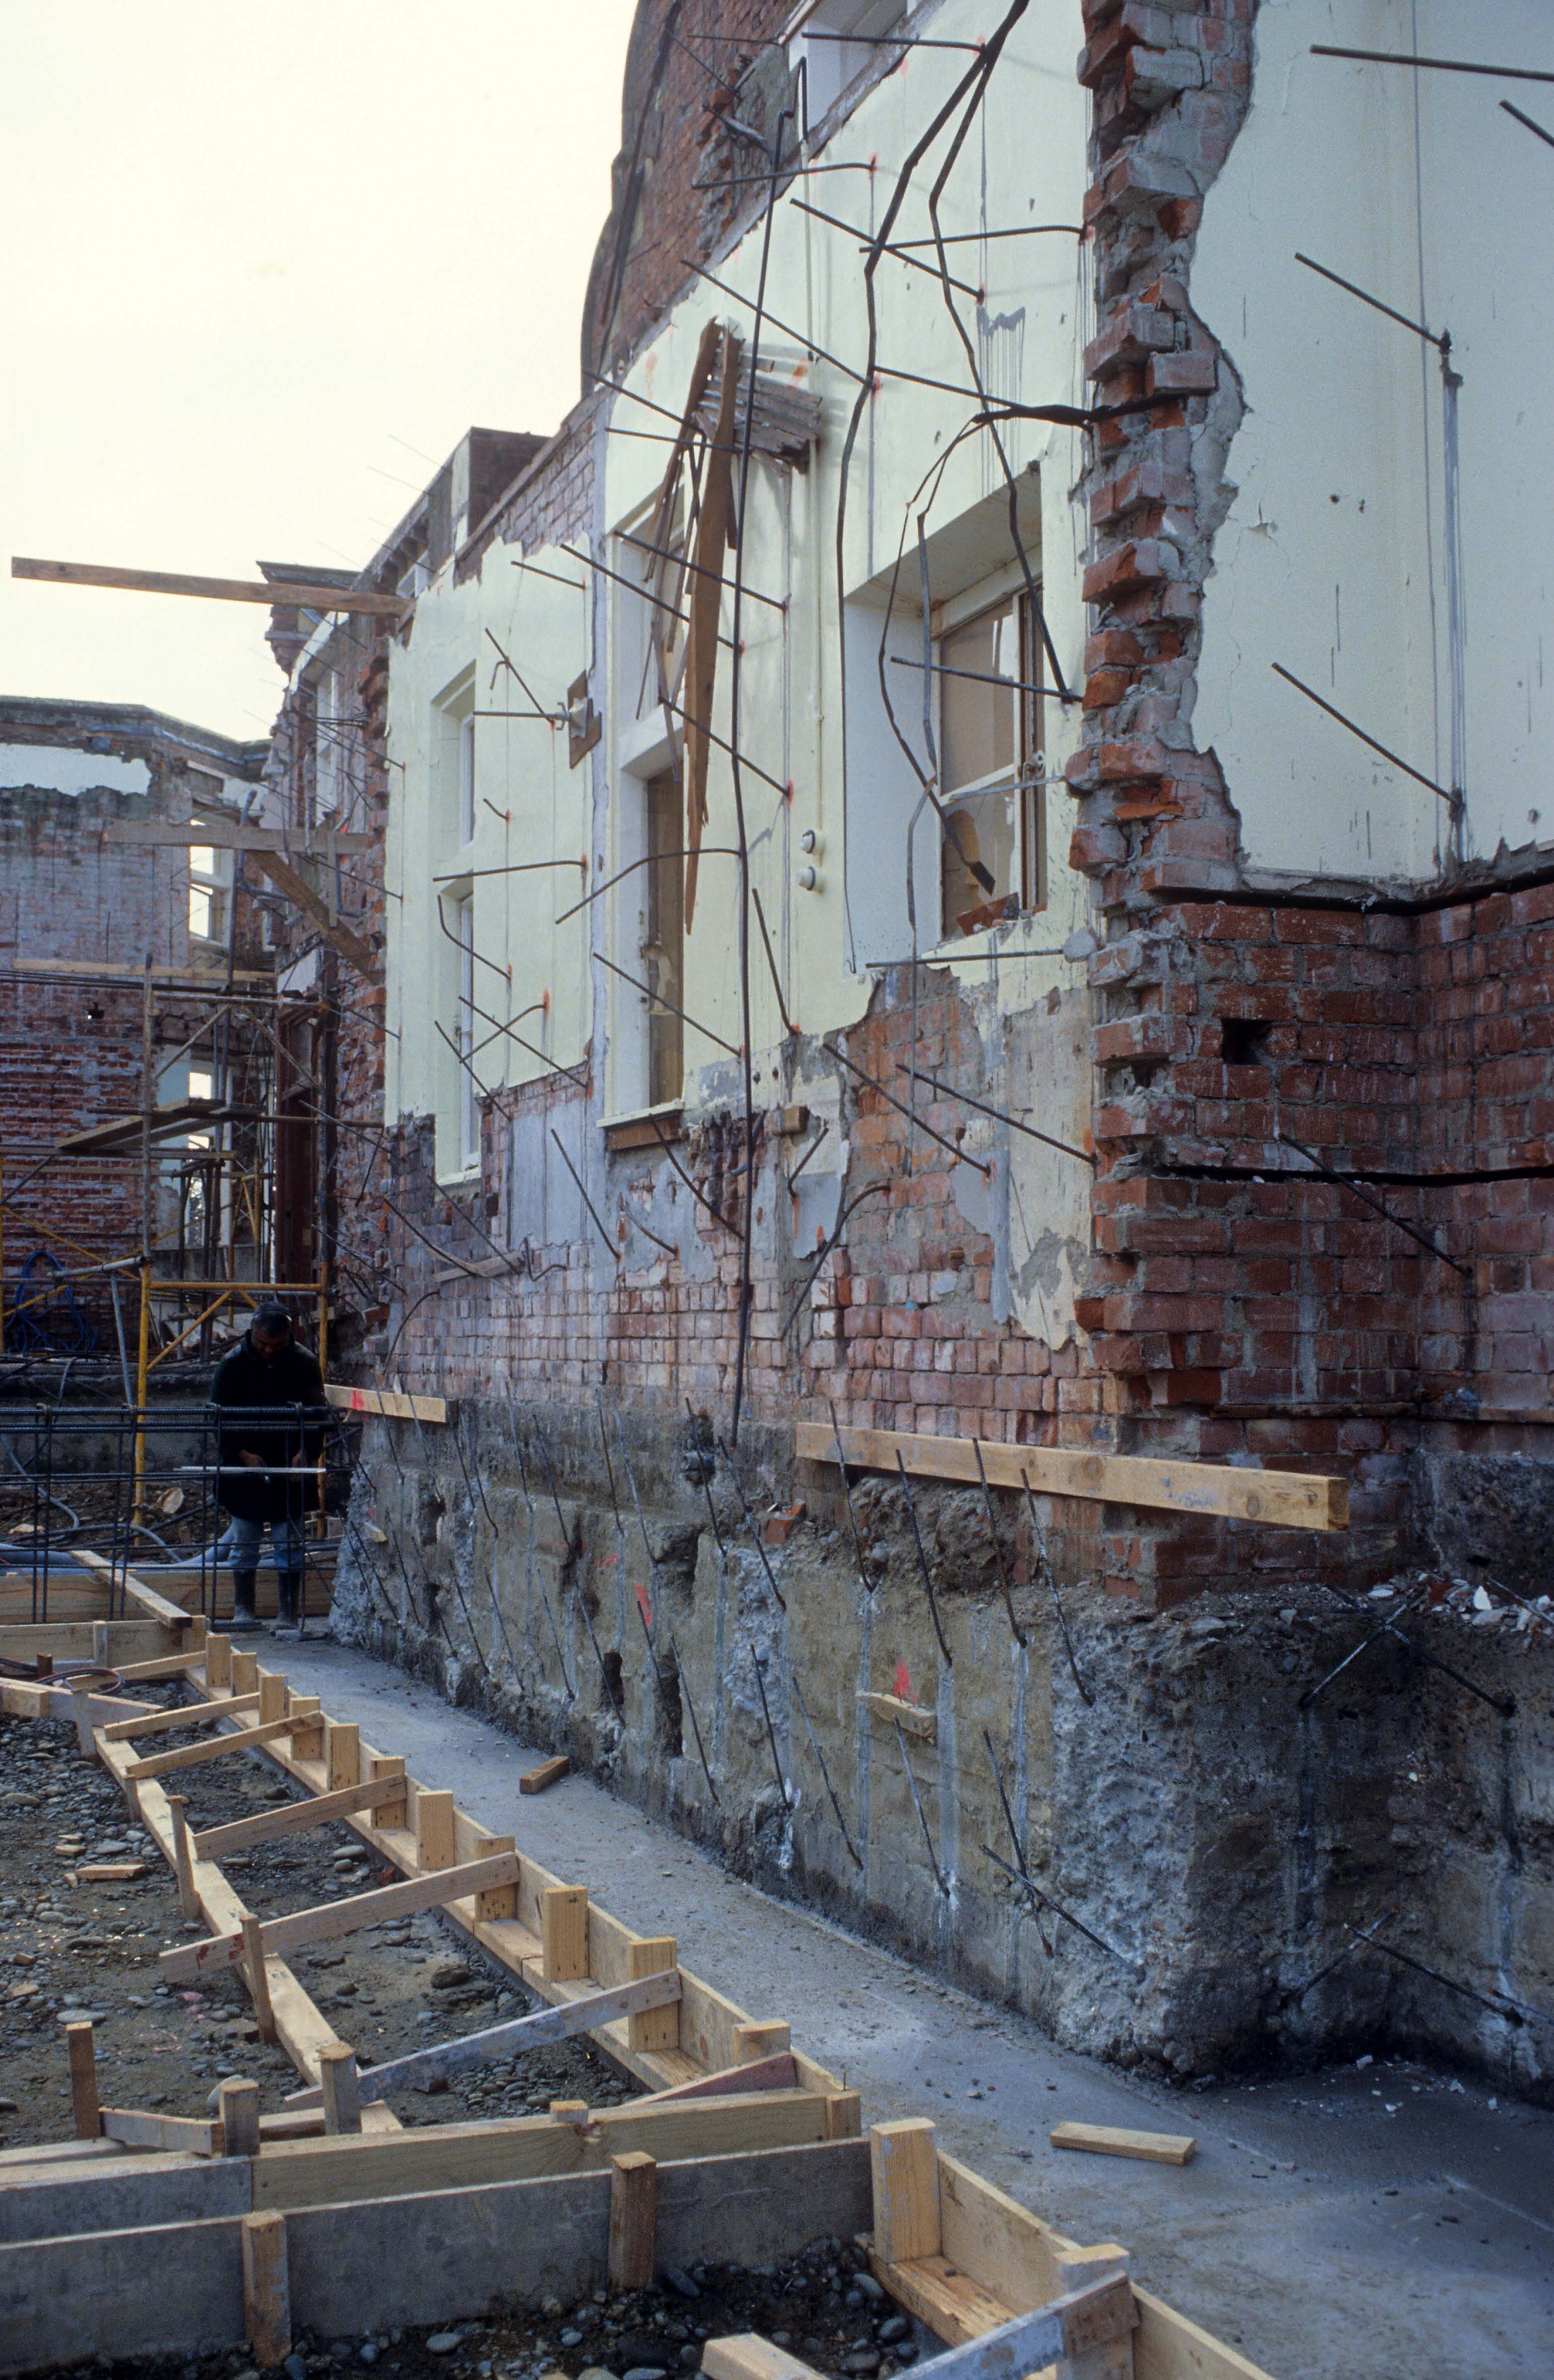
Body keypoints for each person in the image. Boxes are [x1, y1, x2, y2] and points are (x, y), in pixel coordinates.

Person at [210, 1303, 327, 1636]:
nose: (269, 1351)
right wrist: (243, 1454)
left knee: (288, 1543)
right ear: (253, 1334)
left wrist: (306, 1453)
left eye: (277, 1345)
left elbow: (318, 1415)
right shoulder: (232, 1365)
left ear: (289, 1338)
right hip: (245, 1467)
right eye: (263, 1344)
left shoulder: (304, 1364)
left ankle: (287, 1614)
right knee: (245, 1541)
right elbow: (217, 1419)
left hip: (290, 1464)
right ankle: (244, 1611)